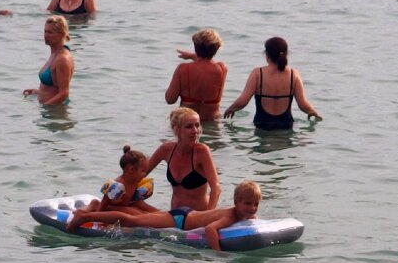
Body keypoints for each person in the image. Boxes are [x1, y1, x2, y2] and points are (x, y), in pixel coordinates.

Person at [67, 181, 261, 251]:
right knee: (133, 221)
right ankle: (85, 217)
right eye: (248, 204)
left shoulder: (240, 214)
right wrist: (218, 254)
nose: (252, 208)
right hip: (180, 219)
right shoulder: (232, 215)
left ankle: (95, 208)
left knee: (138, 216)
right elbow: (211, 229)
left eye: (255, 204)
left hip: (186, 214)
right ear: (237, 203)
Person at [223, 37, 322, 130]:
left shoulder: (258, 73)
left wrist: (231, 109)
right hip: (286, 125)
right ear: (286, 54)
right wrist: (313, 112)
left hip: (262, 124)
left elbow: (243, 101)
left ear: (267, 54)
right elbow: (303, 105)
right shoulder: (293, 74)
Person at [145, 107, 221, 211]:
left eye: (197, 125)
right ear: (176, 129)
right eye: (189, 126)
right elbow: (140, 173)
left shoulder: (202, 152)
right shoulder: (166, 149)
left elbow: (216, 188)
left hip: (198, 216)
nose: (195, 131)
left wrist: (209, 214)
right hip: (175, 216)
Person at [74, 145, 159, 217]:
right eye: (143, 171)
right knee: (135, 213)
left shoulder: (134, 182)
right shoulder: (118, 185)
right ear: (131, 169)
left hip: (123, 207)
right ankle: (94, 205)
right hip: (109, 207)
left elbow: (137, 202)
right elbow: (105, 202)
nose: (145, 174)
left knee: (140, 212)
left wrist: (157, 212)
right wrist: (98, 217)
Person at [165, 28, 228, 121]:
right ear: (217, 48)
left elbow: (170, 100)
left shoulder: (183, 69)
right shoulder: (222, 69)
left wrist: (194, 56)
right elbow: (207, 63)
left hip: (187, 124)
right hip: (212, 124)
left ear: (195, 46)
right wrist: (194, 56)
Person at [23, 15, 73, 105]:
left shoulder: (63, 59)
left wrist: (45, 107)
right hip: (48, 110)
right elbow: (53, 88)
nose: (46, 35)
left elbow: (64, 93)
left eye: (50, 32)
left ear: (61, 34)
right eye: (45, 31)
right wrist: (37, 92)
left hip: (56, 112)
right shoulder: (55, 54)